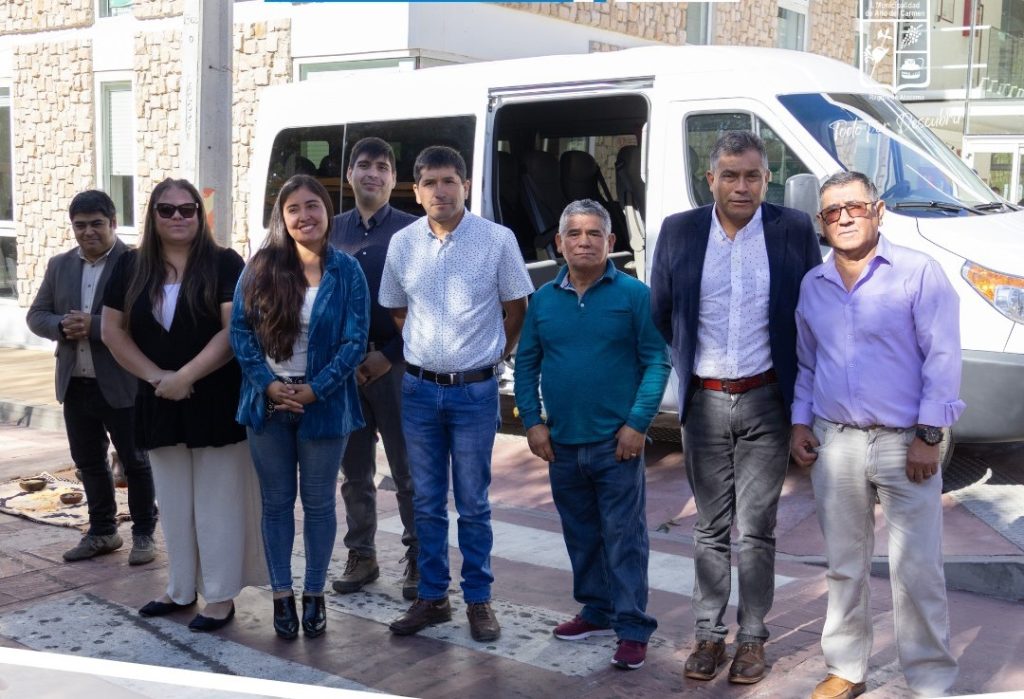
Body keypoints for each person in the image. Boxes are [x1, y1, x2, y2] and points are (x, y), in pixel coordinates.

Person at [649, 130, 821, 683]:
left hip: (767, 401)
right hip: (704, 402)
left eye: (752, 175)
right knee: (709, 528)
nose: (741, 186)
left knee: (758, 528)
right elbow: (662, 313)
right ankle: (708, 634)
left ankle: (752, 639)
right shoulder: (679, 231)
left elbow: (811, 313)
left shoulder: (792, 229)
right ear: (711, 180)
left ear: (767, 180)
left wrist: (801, 409)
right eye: (730, 175)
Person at [790, 171, 963, 699]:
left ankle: (930, 681)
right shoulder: (813, 284)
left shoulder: (918, 272)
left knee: (918, 570)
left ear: (878, 211)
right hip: (835, 442)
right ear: (821, 222)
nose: (844, 218)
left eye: (855, 207)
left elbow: (942, 358)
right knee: (844, 566)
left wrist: (929, 436)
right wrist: (799, 422)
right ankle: (847, 669)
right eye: (832, 211)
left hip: (905, 442)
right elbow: (807, 362)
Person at [380, 145, 533, 642]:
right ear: (417, 191)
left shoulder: (497, 239)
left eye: (449, 181)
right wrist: (428, 350)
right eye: (430, 182)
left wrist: (490, 356)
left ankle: (478, 599)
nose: (440, 191)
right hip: (419, 391)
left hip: (474, 393)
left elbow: (516, 308)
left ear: (465, 185)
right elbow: (397, 310)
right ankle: (432, 597)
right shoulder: (403, 244)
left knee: (473, 503)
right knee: (426, 502)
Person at [102, 178, 265, 632]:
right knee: (173, 502)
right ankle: (179, 589)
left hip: (214, 399)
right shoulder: (130, 266)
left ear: (199, 214)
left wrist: (186, 376)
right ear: (152, 215)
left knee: (218, 502)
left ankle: (220, 596)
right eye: (167, 209)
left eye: (187, 209)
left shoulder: (225, 262)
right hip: (158, 399)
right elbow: (112, 331)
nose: (177, 217)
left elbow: (233, 331)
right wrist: (159, 378)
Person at [514, 199, 670, 671]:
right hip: (561, 444)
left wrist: (637, 425)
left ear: (611, 241)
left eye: (594, 233)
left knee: (624, 538)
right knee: (580, 535)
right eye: (574, 234)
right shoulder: (543, 300)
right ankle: (597, 611)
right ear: (559, 244)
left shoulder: (635, 295)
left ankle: (632, 627)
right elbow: (526, 364)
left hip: (616, 445)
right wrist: (532, 422)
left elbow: (657, 361)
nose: (584, 241)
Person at [231, 174, 369, 639]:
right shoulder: (260, 267)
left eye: (313, 206)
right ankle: (281, 595)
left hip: (323, 406)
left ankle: (314, 593)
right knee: (275, 504)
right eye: (294, 209)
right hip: (268, 404)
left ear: (327, 211)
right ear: (282, 217)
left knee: (319, 503)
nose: (305, 216)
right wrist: (269, 384)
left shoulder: (346, 271)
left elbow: (355, 341)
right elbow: (240, 332)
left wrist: (317, 389)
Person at [26, 190, 158, 565]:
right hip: (76, 382)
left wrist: (97, 326)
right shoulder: (59, 265)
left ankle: (144, 534)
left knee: (136, 461)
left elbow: (149, 320)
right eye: (80, 225)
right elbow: (36, 315)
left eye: (96, 224)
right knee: (88, 462)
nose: (88, 232)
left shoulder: (137, 264)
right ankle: (102, 532)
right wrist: (60, 326)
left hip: (123, 382)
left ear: (113, 223)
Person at [329, 137, 419, 600]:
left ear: (394, 178)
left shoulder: (414, 231)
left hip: (397, 365)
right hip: (343, 369)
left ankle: (419, 557)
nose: (373, 173)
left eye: (382, 167)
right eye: (364, 165)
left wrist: (389, 354)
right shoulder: (330, 230)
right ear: (350, 174)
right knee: (355, 472)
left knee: (408, 471)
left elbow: (425, 303)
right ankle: (361, 555)